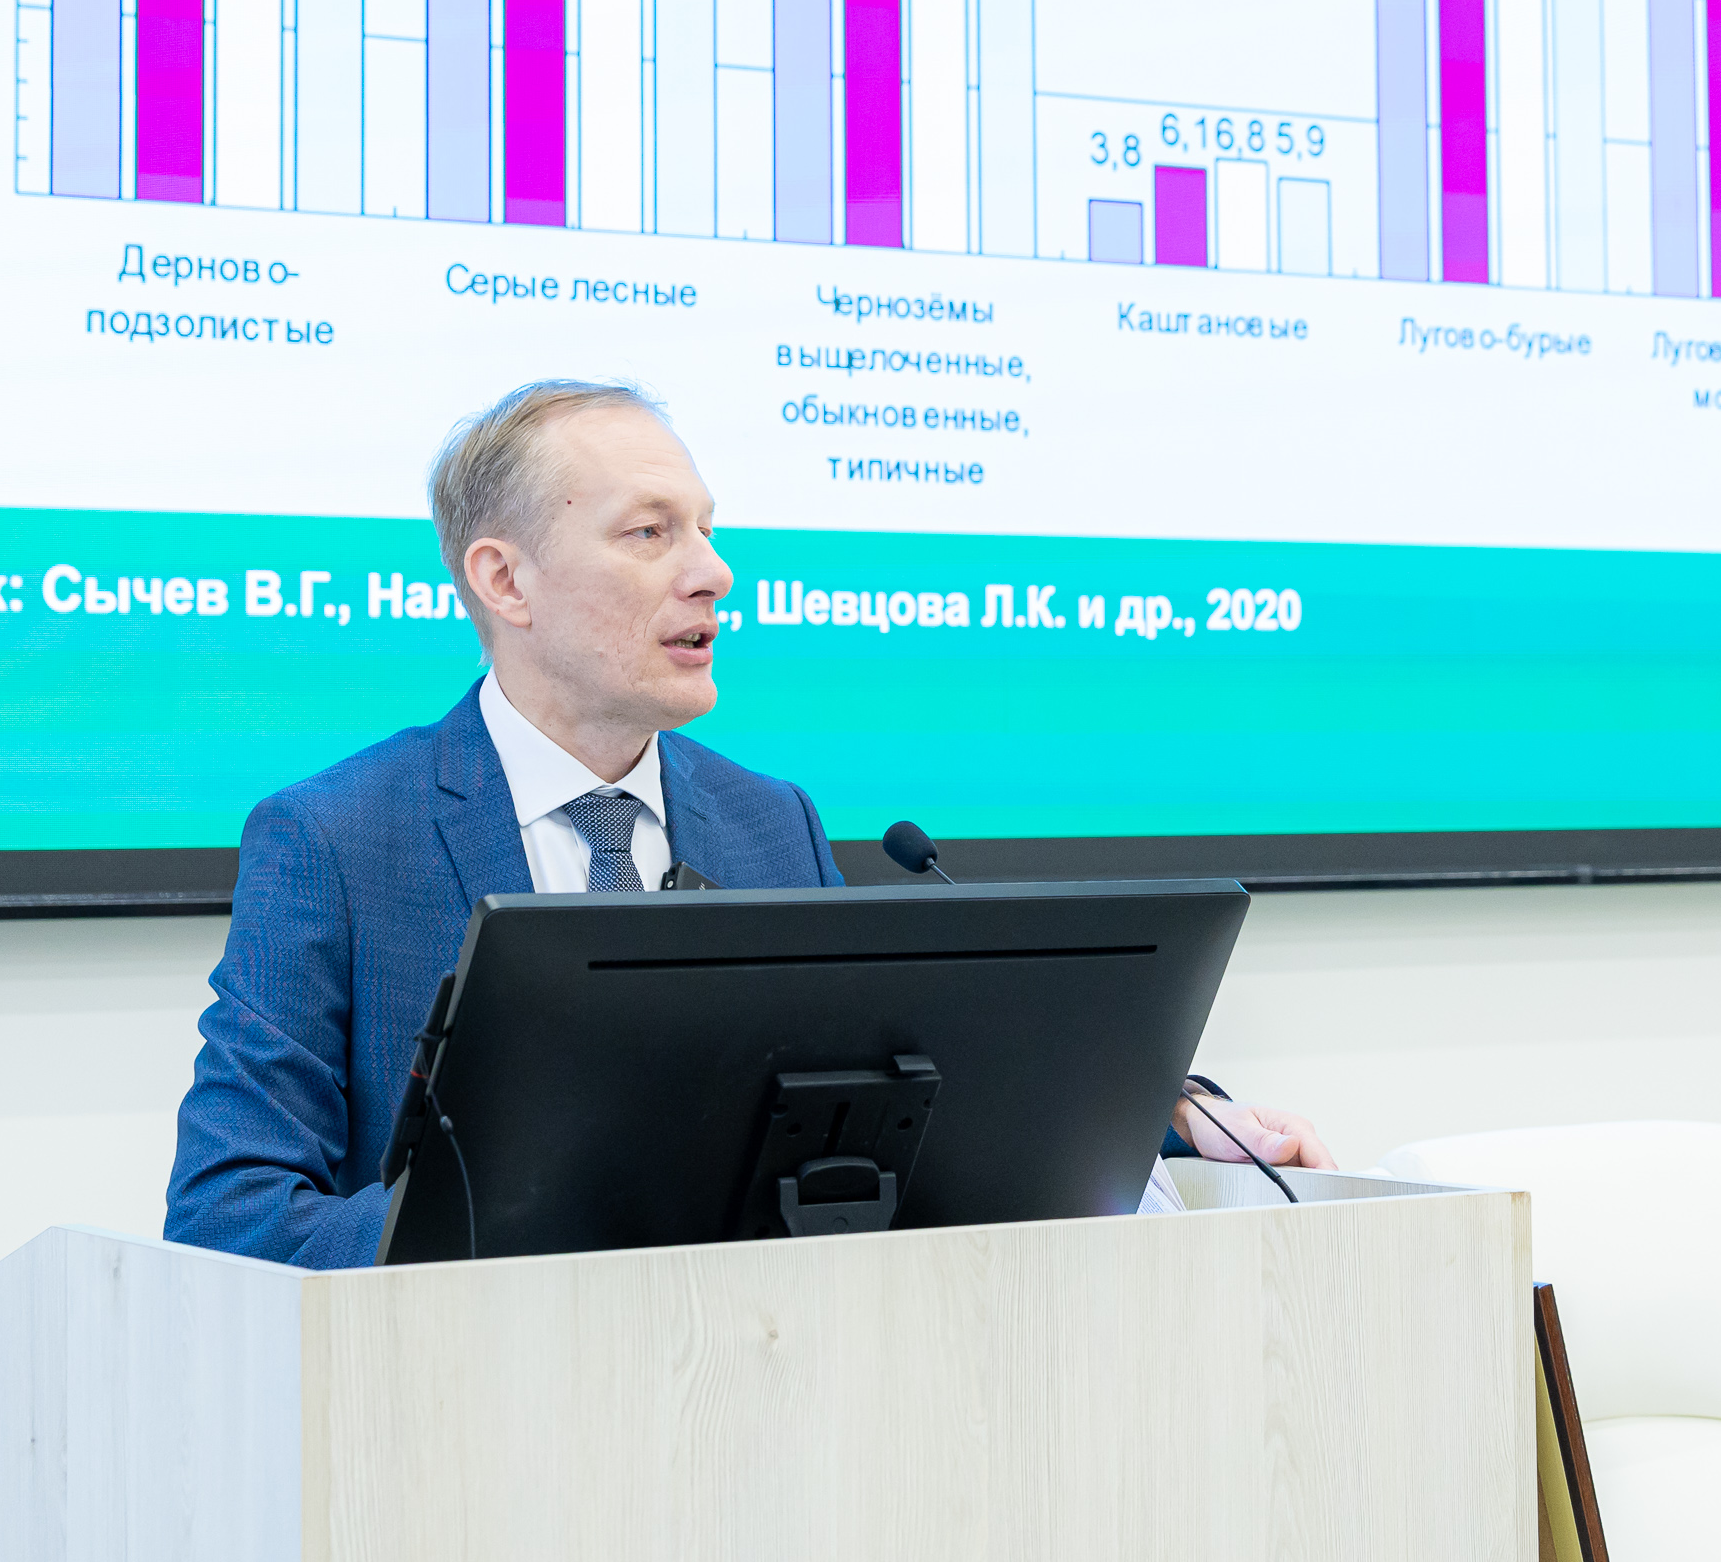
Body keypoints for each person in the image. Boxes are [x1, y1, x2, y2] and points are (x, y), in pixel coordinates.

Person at [165, 379, 1330, 1267]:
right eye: (649, 533)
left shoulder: (769, 822)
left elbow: (905, 1106)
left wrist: (1166, 1116)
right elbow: (227, 1214)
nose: (712, 572)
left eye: (707, 529)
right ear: (504, 581)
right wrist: (504, 1217)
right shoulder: (335, 839)